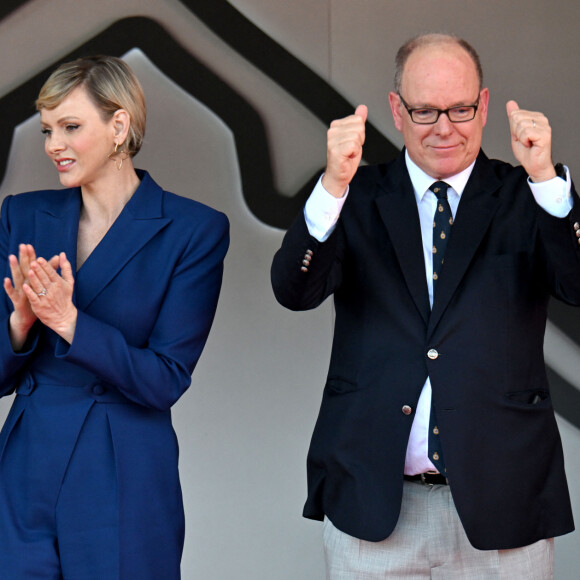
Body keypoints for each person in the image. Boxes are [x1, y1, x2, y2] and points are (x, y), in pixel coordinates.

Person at [271, 33, 580, 578]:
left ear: (484, 106)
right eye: (424, 111)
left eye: (460, 109)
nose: (444, 127)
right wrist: (332, 186)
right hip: (376, 497)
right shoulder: (356, 196)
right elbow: (294, 292)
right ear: (396, 109)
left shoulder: (527, 195)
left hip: (503, 499)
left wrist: (546, 179)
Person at [0, 55, 229, 578]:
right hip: (23, 473)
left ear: (119, 125)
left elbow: (165, 380)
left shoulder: (192, 230)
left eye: (71, 127)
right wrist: (18, 327)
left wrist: (70, 322)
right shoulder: (22, 214)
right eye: (47, 130)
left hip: (122, 476)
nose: (53, 145)